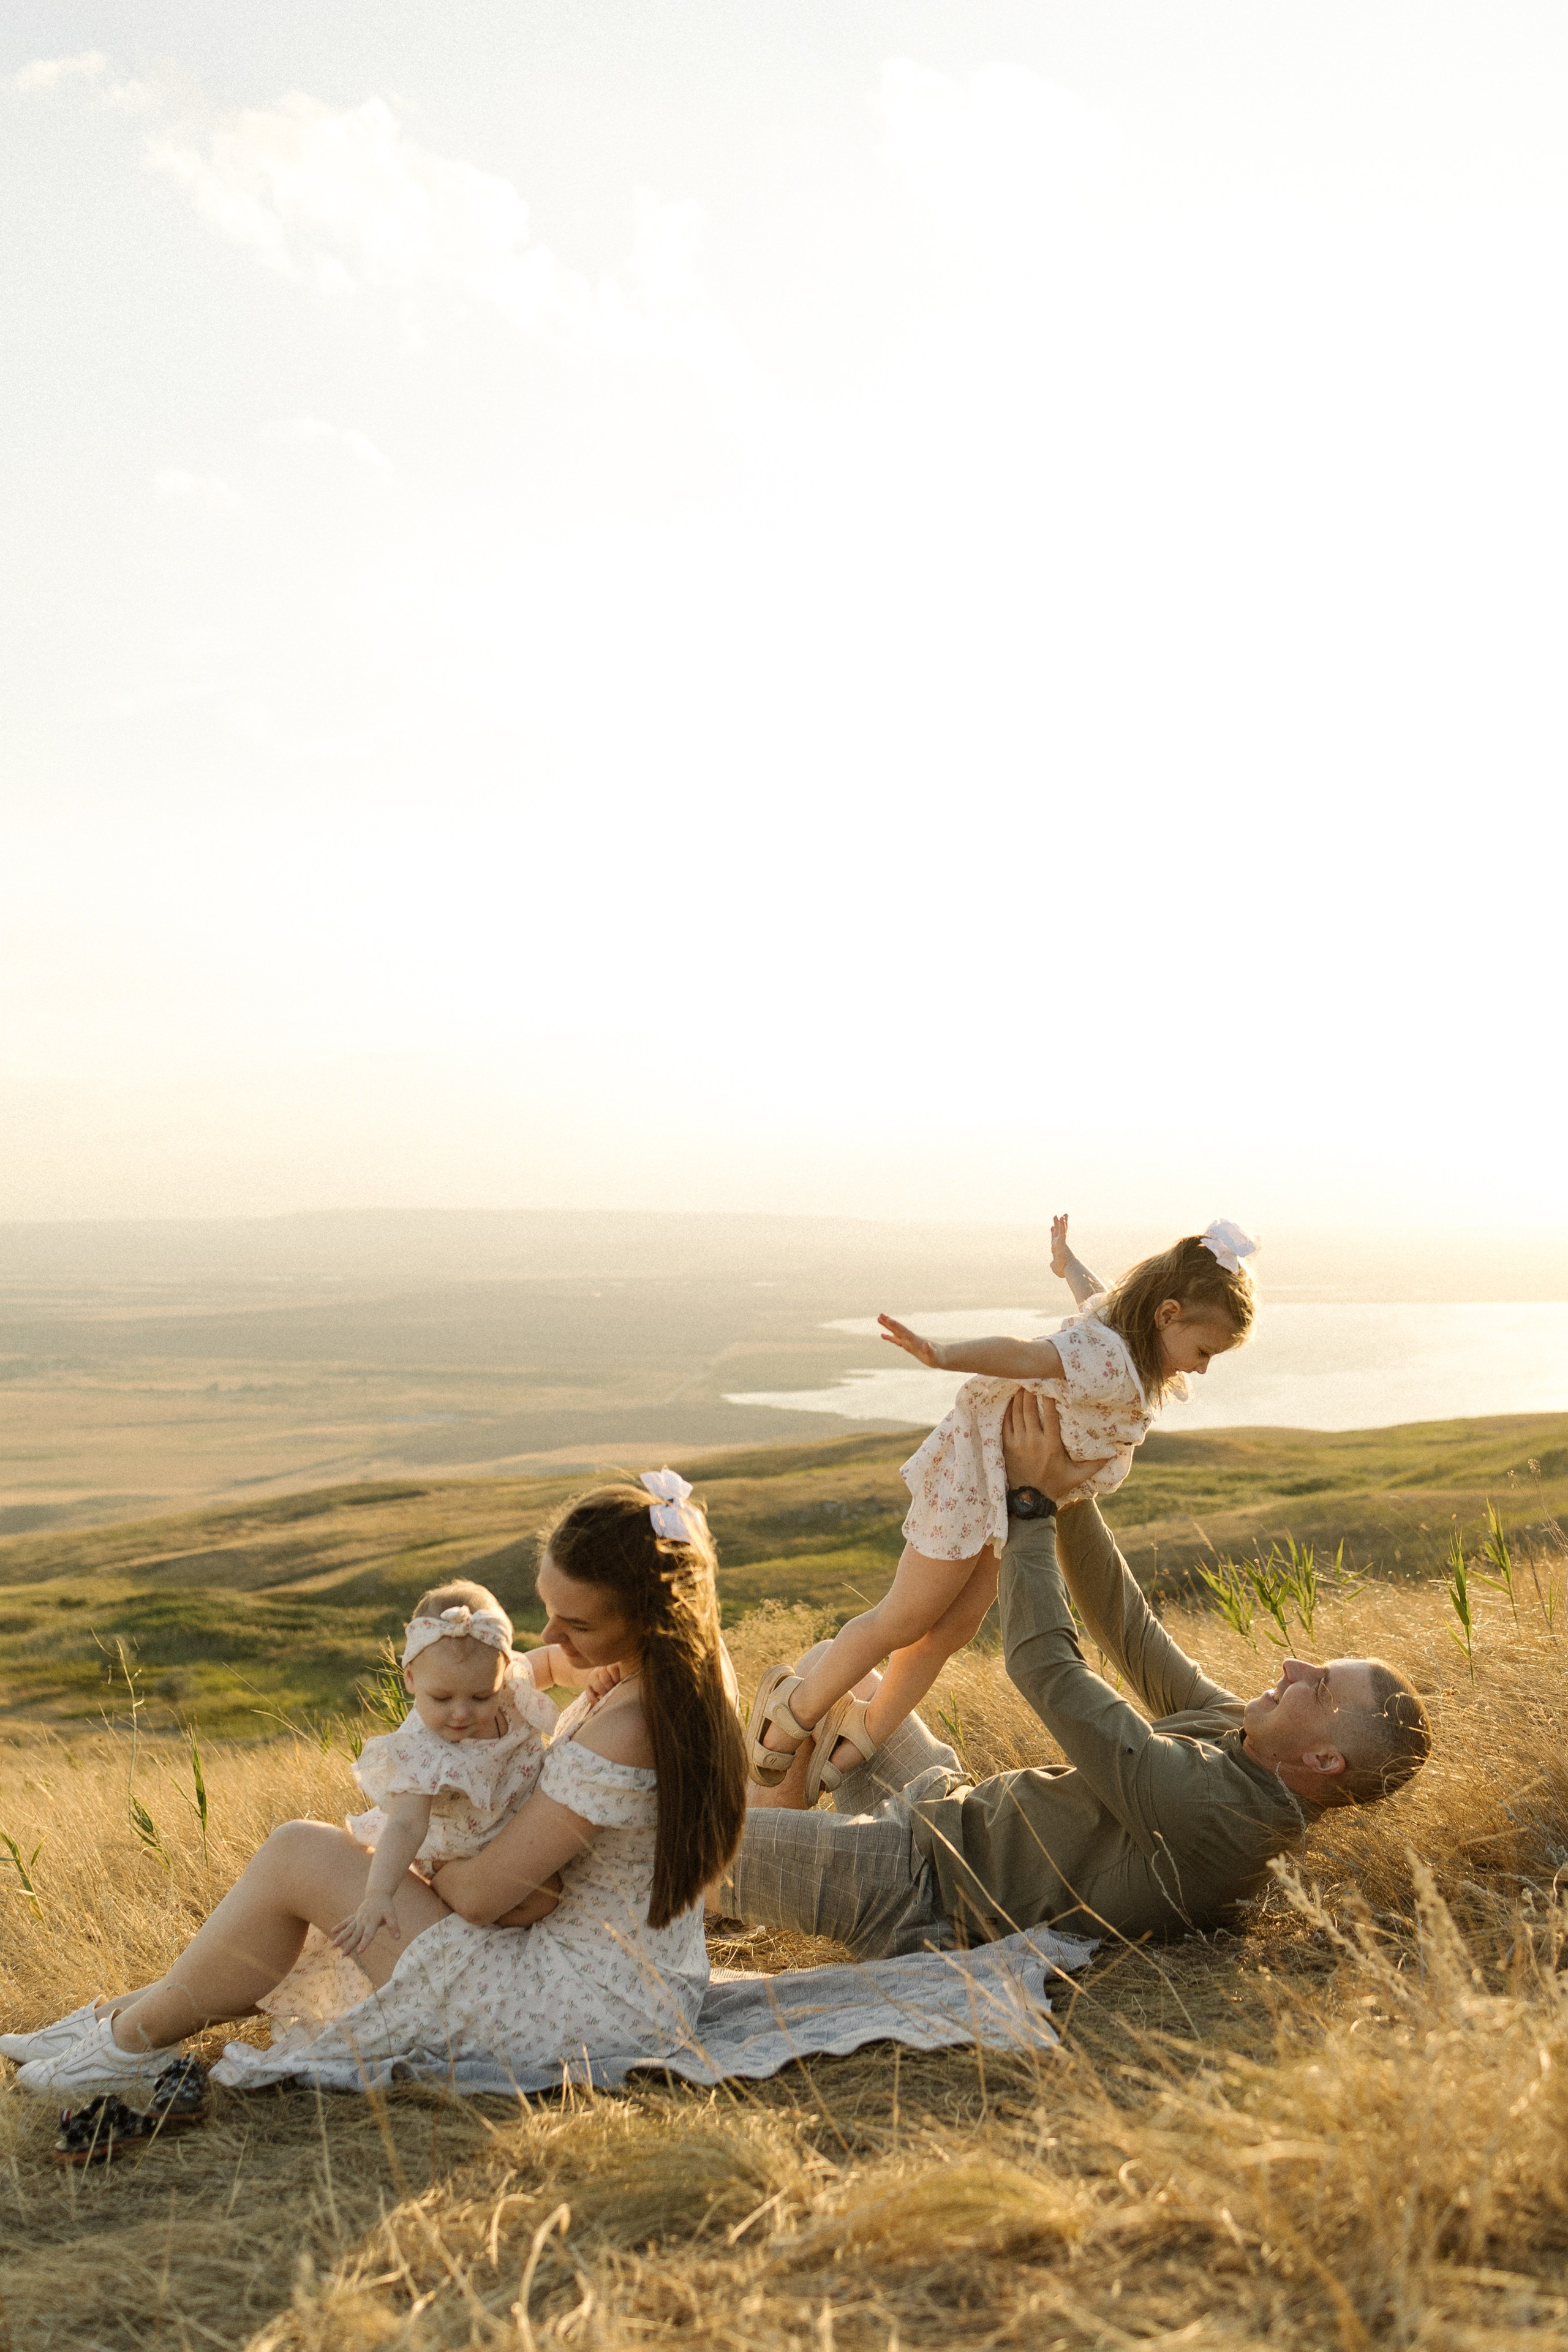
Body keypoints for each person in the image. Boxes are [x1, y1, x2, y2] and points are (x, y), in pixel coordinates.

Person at [8, 1471, 748, 2098]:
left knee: (304, 1853)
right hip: (614, 1975)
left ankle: (125, 2046)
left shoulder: (633, 1723)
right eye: (548, 1610)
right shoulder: (679, 1666)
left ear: (651, 1616)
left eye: (572, 1623)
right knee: (329, 1857)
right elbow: (535, 1675)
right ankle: (121, 2025)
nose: (550, 1637)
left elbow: (479, 1898)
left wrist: (442, 1852)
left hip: (579, 2006)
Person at [717, 1392, 1431, 1958]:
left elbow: (1044, 1668)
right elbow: (1129, 1629)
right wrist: (1071, 1491)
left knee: (675, 1844)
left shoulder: (1223, 1819)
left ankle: (731, 1876)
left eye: (1322, 1685)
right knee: (824, 1674)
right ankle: (752, 1870)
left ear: (1324, 1760)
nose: (1294, 1665)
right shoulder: (1243, 1738)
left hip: (920, 1889)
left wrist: (1028, 1505)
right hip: (950, 1813)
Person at [747, 1216, 1259, 1804]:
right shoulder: (1108, 1358)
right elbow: (1024, 1355)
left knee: (953, 1630)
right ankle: (792, 1712)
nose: (1200, 1368)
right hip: (977, 1478)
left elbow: (1096, 1293)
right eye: (1202, 1350)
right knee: (907, 1618)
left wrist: (1066, 1262)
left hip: (1015, 1498)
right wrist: (942, 1354)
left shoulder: (1125, 1336)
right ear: (1167, 1314)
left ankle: (862, 1732)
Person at [332, 1578, 617, 1961]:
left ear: (503, 1672)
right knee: (537, 1901)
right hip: (459, 1855)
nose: (462, 1713)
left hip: (514, 1828)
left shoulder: (509, 1685)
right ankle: (479, 1937)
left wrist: (594, 1676)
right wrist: (378, 1895)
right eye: (442, 1698)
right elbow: (406, 1825)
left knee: (565, 1878)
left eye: (482, 1696)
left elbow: (550, 1662)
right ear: (411, 1679)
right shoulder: (424, 1750)